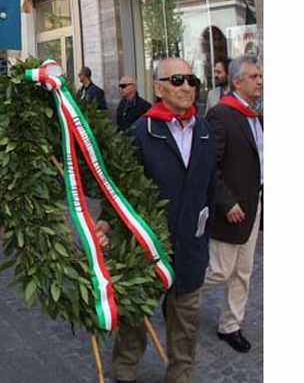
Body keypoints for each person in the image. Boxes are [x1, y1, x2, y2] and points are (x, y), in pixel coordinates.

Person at [98, 57, 216, 383]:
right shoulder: (141, 132)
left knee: (186, 323)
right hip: (147, 249)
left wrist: (206, 233)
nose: (187, 87)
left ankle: (181, 376)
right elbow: (120, 187)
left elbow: (210, 186)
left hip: (190, 248)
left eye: (193, 81)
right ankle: (124, 372)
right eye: (178, 80)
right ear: (159, 87)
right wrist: (107, 222)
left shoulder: (205, 131)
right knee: (135, 318)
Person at [202, 54, 263, 353]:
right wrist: (226, 202)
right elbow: (209, 165)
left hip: (255, 201)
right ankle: (180, 297)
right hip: (233, 207)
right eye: (254, 77)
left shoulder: (255, 113)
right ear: (237, 81)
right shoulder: (221, 114)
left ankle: (230, 325)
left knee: (244, 270)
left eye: (260, 75)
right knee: (218, 271)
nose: (260, 80)